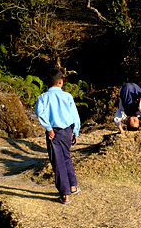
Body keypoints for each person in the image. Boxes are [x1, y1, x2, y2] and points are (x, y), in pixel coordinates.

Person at [35, 68, 81, 204]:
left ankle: (64, 194)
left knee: (58, 162)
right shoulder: (67, 96)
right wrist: (76, 131)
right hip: (67, 131)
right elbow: (75, 115)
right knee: (66, 158)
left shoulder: (43, 97)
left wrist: (48, 128)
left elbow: (40, 113)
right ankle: (72, 186)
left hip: (53, 132)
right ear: (60, 82)